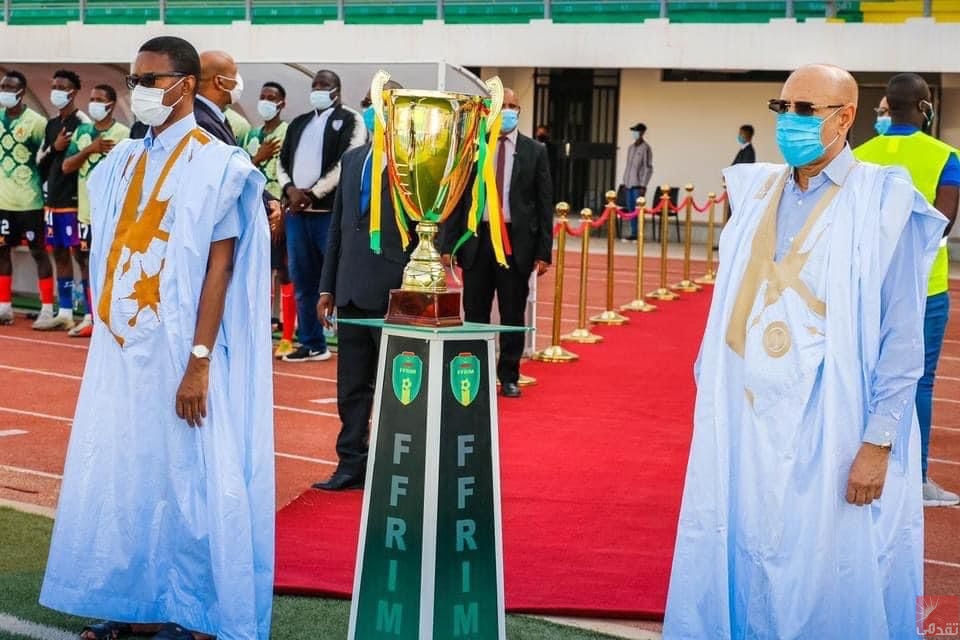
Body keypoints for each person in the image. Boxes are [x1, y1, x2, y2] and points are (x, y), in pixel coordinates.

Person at [663, 64, 945, 639]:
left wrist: (878, 441)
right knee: (743, 550)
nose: (788, 122)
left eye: (804, 111)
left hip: (834, 426)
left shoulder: (883, 202)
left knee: (828, 569)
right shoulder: (755, 191)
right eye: (781, 108)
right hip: (747, 424)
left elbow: (902, 337)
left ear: (845, 118)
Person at [39, 36, 274, 640]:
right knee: (133, 474)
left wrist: (198, 361)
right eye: (135, 77)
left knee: (191, 479)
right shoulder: (119, 161)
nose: (139, 89)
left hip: (183, 351)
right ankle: (137, 608)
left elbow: (219, 269)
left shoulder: (222, 165)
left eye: (150, 78)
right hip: (123, 352)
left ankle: (199, 611)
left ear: (186, 84)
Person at [854, 73, 960, 508]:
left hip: (869, 286)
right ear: (925, 106)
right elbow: (945, 219)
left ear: (887, 107)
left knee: (863, 377)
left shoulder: (860, 154)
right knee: (919, 382)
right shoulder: (945, 155)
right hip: (926, 288)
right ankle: (913, 480)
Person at [315, 100, 413, 490]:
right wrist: (328, 287)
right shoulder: (353, 159)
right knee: (351, 386)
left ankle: (392, 465)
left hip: (393, 290)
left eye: (383, 107)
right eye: (369, 106)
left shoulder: (413, 163)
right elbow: (338, 228)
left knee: (395, 388)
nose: (375, 114)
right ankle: (351, 464)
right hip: (351, 289)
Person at [442, 88, 553, 399]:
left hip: (515, 244)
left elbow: (545, 204)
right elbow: (459, 198)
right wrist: (447, 244)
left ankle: (510, 375)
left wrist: (545, 251)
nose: (507, 110)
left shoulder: (535, 152)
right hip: (477, 242)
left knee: (512, 312)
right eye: (502, 105)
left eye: (513, 106)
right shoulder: (475, 148)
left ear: (520, 111)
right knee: (475, 311)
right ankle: (475, 373)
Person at [277, 69, 365, 362]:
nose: (317, 89)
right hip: (297, 215)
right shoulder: (300, 122)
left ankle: (345, 336)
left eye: (323, 85)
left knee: (336, 277)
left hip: (327, 214)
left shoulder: (351, 120)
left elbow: (347, 162)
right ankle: (313, 342)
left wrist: (313, 194)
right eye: (314, 85)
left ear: (336, 90)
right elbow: (282, 161)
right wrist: (290, 190)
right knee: (303, 281)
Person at [61, 83, 130, 338]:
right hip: (86, 212)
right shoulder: (83, 131)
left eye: (100, 99)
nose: (94, 104)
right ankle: (91, 315)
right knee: (85, 262)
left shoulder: (123, 133)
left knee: (112, 264)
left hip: (112, 214)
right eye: (92, 98)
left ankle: (112, 315)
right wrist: (90, 149)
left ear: (111, 105)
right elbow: (67, 166)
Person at [243, 81, 296, 358]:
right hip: (255, 207)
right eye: (262, 96)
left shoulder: (288, 133)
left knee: (284, 270)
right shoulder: (252, 133)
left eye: (271, 97)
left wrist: (283, 211)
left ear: (282, 103)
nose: (265, 101)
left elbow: (291, 173)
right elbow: (242, 170)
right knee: (259, 269)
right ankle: (261, 328)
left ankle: (287, 335)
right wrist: (258, 156)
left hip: (278, 208)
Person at [36, 69, 90, 331]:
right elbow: (41, 162)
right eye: (54, 85)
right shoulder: (51, 124)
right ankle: (65, 311)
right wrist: (54, 148)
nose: (56, 90)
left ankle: (90, 313)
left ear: (74, 91)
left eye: (62, 86)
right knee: (58, 253)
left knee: (82, 256)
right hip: (53, 199)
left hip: (75, 199)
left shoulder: (83, 123)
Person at [0, 70, 51, 327]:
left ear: (21, 92)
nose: (5, 92)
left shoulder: (36, 122)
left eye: (10, 88)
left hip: (30, 201)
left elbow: (48, 158)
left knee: (38, 252)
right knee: (1, 251)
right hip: (2, 202)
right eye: (2, 87)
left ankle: (48, 308)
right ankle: (4, 307)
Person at [621, 122, 653, 241]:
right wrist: (624, 181)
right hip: (629, 184)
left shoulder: (646, 149)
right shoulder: (630, 148)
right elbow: (628, 166)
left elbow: (648, 168)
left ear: (642, 133)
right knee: (630, 209)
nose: (634, 133)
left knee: (637, 210)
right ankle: (633, 232)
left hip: (638, 185)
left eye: (636, 131)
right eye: (633, 131)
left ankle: (638, 233)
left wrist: (643, 185)